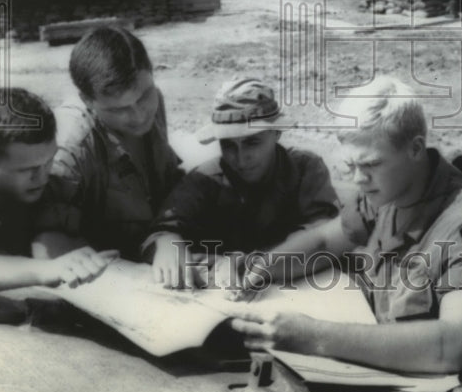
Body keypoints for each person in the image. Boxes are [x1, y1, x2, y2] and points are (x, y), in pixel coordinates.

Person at [230, 76, 462, 392]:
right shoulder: (390, 191)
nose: (359, 179)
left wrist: (312, 336)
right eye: (352, 165)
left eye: (371, 164)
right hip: (397, 387)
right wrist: (266, 266)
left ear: (415, 148)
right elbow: (324, 241)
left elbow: (453, 344)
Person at [144, 77, 340, 290]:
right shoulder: (205, 179)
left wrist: (256, 263)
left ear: (276, 133)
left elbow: (324, 235)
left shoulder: (305, 169)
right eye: (228, 145)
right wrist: (167, 243)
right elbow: (161, 231)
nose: (240, 158)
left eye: (252, 142)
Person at [33, 26, 183, 260]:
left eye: (144, 96)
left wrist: (167, 237)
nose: (139, 116)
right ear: (87, 100)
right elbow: (46, 243)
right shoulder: (70, 144)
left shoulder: (155, 100)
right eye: (118, 109)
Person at [0, 88, 115, 298]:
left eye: (49, 160)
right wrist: (46, 270)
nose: (42, 177)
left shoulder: (51, 185)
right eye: (26, 170)